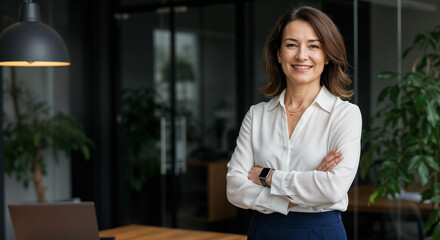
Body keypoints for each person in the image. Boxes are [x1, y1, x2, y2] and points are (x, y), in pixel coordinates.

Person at [226, 5, 362, 240]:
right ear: (278, 54)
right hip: (264, 231)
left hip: (320, 231)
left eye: (313, 46)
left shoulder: (345, 115)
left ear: (327, 55)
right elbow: (234, 188)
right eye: (291, 44)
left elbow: (333, 188)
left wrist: (267, 176)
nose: (301, 55)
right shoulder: (257, 115)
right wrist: (303, 187)